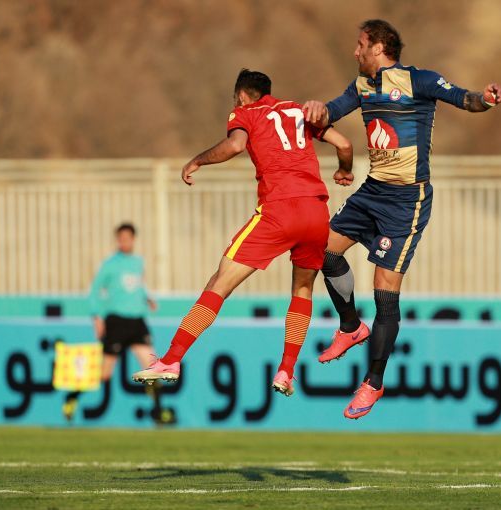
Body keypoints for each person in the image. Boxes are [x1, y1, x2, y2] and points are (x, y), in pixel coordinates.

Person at [303, 19, 501, 419]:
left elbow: (466, 100)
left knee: (384, 289)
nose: (355, 51)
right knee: (320, 250)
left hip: (406, 201)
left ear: (378, 48)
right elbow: (332, 110)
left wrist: (487, 98)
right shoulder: (361, 86)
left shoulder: (420, 80)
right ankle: (350, 327)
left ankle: (373, 383)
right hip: (372, 192)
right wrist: (316, 110)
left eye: (360, 44)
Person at [133, 69, 354, 396]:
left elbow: (236, 145)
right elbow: (345, 144)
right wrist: (344, 170)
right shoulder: (298, 111)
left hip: (279, 210)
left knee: (219, 283)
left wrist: (197, 161)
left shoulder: (246, 112)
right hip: (315, 211)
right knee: (303, 288)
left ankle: (171, 359)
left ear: (240, 96)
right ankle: (286, 370)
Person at [63, 223, 174, 425]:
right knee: (104, 374)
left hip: (137, 322)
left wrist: (147, 298)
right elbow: (94, 291)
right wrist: (97, 318)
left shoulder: (138, 262)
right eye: (121, 238)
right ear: (117, 240)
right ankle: (72, 397)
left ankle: (159, 413)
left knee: (153, 368)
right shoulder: (110, 265)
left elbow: (139, 286)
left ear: (133, 239)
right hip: (117, 322)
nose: (124, 242)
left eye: (127, 238)